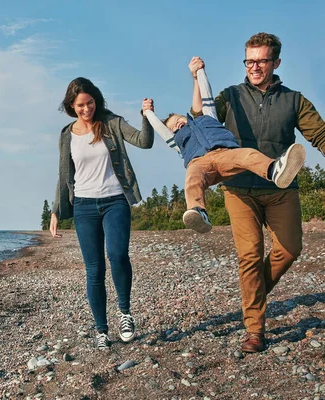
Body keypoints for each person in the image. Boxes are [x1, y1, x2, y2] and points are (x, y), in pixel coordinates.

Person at [189, 33, 325, 353]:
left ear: (276, 62)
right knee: (248, 256)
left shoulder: (294, 100)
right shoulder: (231, 96)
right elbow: (200, 115)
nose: (255, 67)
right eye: (249, 60)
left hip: (280, 188)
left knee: (290, 249)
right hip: (239, 189)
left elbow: (319, 134)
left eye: (261, 60)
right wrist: (197, 78)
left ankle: (255, 295)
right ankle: (254, 329)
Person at [49, 77, 154, 350]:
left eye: (91, 103)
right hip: (84, 206)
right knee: (94, 269)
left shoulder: (111, 124)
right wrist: (56, 212)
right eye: (81, 105)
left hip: (115, 201)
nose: (87, 109)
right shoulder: (66, 135)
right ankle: (100, 330)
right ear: (71, 106)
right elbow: (64, 176)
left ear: (96, 100)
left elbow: (144, 141)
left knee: (117, 255)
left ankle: (125, 314)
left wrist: (147, 116)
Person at [162, 112, 305, 233]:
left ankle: (274, 170)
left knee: (248, 154)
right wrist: (148, 112)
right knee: (192, 179)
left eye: (178, 120)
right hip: (198, 162)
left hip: (225, 153)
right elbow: (160, 130)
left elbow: (206, 95)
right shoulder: (178, 140)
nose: (177, 125)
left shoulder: (206, 118)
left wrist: (198, 78)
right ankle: (198, 211)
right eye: (173, 127)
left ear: (187, 116)